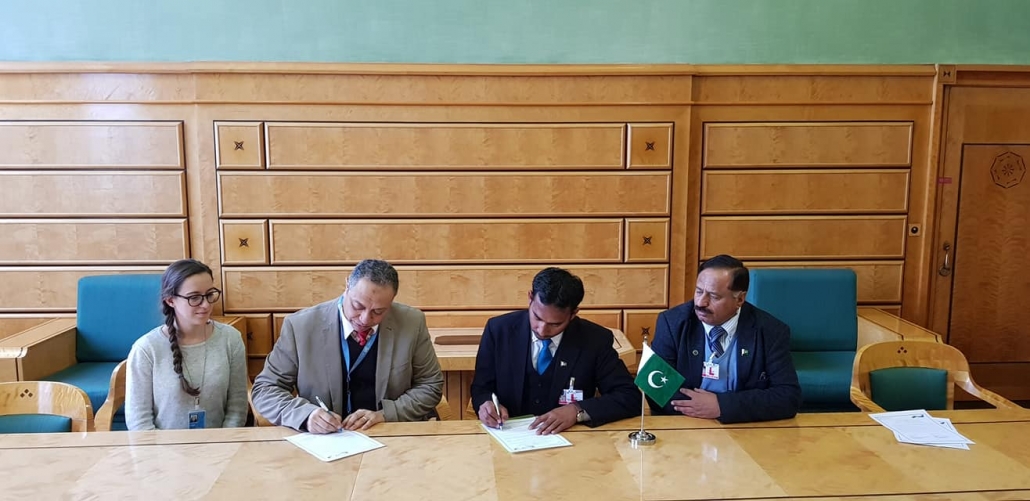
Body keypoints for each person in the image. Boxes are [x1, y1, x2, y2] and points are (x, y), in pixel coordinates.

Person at [252, 259, 444, 433]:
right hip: (326, 441)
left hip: (390, 435)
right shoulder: (301, 327)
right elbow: (265, 389)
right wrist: (305, 415)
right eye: (358, 306)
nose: (365, 319)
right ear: (346, 287)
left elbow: (430, 385)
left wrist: (387, 414)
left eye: (378, 311)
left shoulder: (411, 323)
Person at [470, 267, 639, 434]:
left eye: (555, 324)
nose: (542, 330)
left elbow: (629, 396)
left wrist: (577, 411)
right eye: (537, 317)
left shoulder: (594, 340)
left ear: (573, 314)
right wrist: (485, 405)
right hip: (509, 435)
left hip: (572, 439)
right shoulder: (499, 330)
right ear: (530, 298)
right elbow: (481, 388)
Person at [647, 254, 801, 423]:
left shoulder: (771, 331)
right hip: (686, 423)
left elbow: (788, 397)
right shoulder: (672, 323)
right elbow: (655, 388)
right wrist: (699, 409)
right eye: (699, 291)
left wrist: (722, 406)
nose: (701, 302)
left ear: (740, 299)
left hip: (742, 425)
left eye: (714, 296)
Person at [126, 259, 249, 430]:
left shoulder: (231, 338)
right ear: (170, 300)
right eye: (194, 297)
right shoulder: (146, 348)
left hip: (220, 443)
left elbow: (237, 407)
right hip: (161, 445)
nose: (206, 305)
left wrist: (224, 442)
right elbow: (139, 421)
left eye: (209, 294)